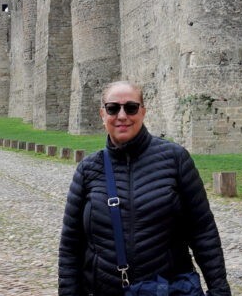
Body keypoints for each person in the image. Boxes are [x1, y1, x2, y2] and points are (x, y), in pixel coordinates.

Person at [58, 81, 231, 296]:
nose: (122, 116)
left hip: (166, 288)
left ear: (143, 112)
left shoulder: (175, 159)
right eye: (113, 108)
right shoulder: (88, 169)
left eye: (131, 108)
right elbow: (71, 244)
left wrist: (219, 290)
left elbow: (203, 231)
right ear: (103, 114)